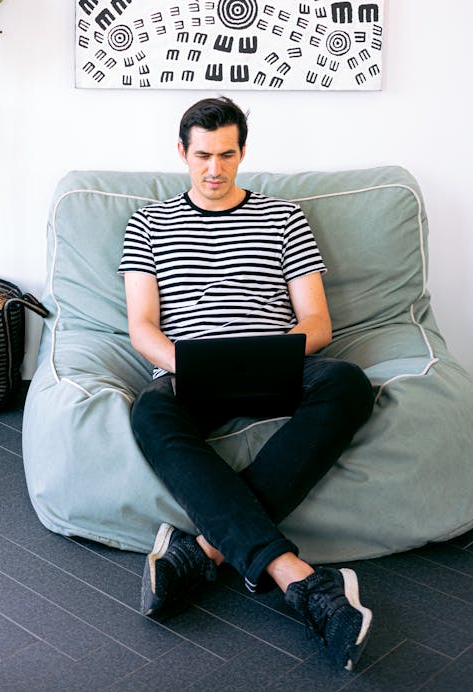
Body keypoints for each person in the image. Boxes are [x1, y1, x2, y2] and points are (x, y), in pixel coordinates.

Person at [119, 96, 376, 672]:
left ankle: (204, 551)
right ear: (182, 153)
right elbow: (143, 329)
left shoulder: (284, 217)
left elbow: (317, 323)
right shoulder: (147, 222)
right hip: (190, 370)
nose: (215, 168)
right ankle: (301, 582)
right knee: (149, 413)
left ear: (242, 153)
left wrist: (274, 351)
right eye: (203, 155)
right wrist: (190, 364)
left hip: (273, 366)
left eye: (227, 155)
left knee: (350, 383)